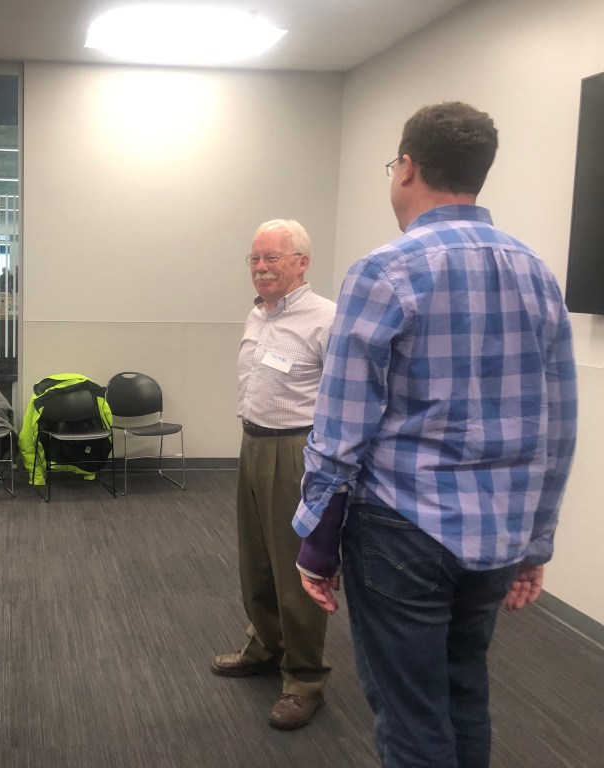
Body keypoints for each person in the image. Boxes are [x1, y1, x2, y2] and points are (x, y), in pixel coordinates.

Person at [294, 103, 578, 768]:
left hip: (402, 528)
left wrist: (317, 541)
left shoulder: (384, 270)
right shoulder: (537, 272)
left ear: (407, 168)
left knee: (410, 716)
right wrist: (537, 542)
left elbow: (341, 428)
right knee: (464, 693)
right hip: (500, 535)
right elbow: (558, 426)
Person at [211, 219, 335, 731]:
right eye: (255, 259)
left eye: (273, 258)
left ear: (301, 263)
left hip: (296, 452)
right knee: (256, 560)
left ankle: (304, 679)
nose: (261, 268)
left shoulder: (326, 318)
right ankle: (265, 646)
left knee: (295, 569)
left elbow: (342, 399)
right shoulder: (258, 313)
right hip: (253, 443)